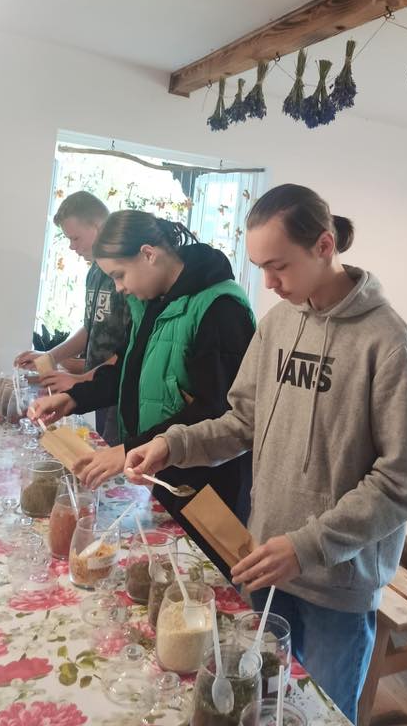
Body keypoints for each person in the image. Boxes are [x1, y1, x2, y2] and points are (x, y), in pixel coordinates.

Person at [122, 184, 407, 724]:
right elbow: (242, 421)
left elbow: (399, 485)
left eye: (278, 266)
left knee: (315, 716)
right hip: (263, 565)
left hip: (337, 587)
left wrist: (307, 546)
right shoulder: (278, 323)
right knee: (249, 709)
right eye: (260, 266)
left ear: (325, 246)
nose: (267, 283)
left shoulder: (389, 341)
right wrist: (174, 444)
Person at [29, 210, 255, 570]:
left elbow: (218, 411)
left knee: (202, 580)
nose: (119, 288)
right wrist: (74, 398)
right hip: (160, 474)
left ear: (148, 254)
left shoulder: (221, 309)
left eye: (119, 275)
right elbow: (129, 373)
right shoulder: (153, 300)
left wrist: (127, 450)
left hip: (207, 488)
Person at [15, 191, 129, 445]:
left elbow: (130, 348)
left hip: (119, 388)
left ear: (98, 227)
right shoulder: (94, 273)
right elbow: (90, 328)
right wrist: (50, 357)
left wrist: (80, 379)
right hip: (98, 387)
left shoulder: (125, 274)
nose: (72, 246)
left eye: (75, 238)